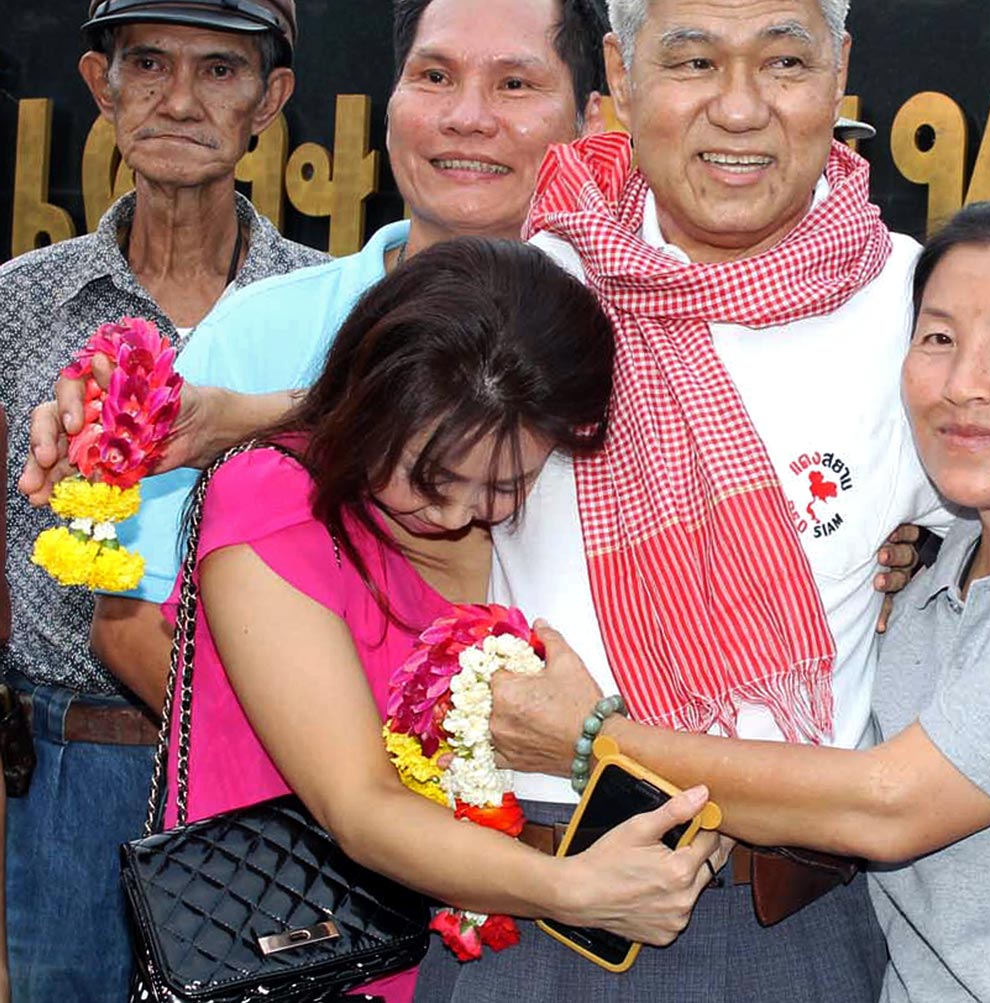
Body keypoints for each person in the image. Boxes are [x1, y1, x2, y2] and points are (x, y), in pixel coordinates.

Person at [480, 189, 990, 1001]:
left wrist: (594, 734)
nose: (965, 383)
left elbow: (886, 803)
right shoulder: (929, 575)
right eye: (939, 338)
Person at [442, 0, 951, 1002]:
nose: (738, 109)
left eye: (781, 60)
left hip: (786, 927)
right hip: (529, 912)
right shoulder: (525, 296)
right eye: (692, 61)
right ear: (619, 76)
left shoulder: (928, 310)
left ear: (839, 67)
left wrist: (925, 567)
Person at [25, 0, 611, 717]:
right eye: (433, 77)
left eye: (515, 83)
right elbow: (133, 623)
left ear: (594, 117)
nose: (467, 116)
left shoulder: (639, 336)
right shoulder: (262, 323)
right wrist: (343, 794)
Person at [166, 237, 725, 1002]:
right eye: (433, 479)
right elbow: (358, 807)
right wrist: (571, 888)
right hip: (304, 958)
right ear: (373, 409)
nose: (461, 514)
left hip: (495, 970)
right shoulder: (271, 500)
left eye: (506, 484)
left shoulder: (565, 506)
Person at [0, 0, 325, 1001]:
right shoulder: (20, 304)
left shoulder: (333, 307)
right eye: (148, 64)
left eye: (220, 70)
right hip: (73, 765)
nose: (179, 98)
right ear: (100, 86)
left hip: (287, 764)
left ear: (270, 98)